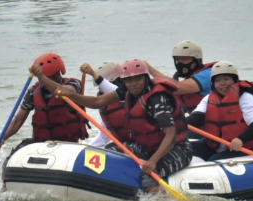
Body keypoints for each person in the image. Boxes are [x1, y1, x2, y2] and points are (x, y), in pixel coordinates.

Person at [73, 59, 192, 189]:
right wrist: (70, 95)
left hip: (177, 148)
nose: (134, 84)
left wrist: (153, 160)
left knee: (149, 176)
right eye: (129, 80)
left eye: (138, 79)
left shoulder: (156, 100)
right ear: (123, 82)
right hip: (147, 146)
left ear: (146, 78)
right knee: (107, 154)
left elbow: (171, 135)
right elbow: (97, 102)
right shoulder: (126, 91)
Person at [0, 53, 88, 152]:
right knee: (14, 155)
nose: (41, 82)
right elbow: (17, 121)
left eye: (46, 77)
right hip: (41, 143)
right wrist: (2, 139)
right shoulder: (33, 91)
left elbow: (67, 92)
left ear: (57, 75)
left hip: (68, 144)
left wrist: (42, 77)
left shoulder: (74, 84)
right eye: (39, 78)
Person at [186, 61, 253, 159]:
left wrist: (240, 139)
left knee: (214, 159)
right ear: (213, 83)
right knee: (186, 148)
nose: (222, 83)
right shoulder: (209, 98)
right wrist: (177, 126)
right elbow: (196, 118)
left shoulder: (245, 96)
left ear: (234, 80)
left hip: (247, 147)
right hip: (219, 146)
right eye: (218, 80)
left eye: (226, 79)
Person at [150, 40, 216, 114]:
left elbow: (177, 87)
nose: (179, 63)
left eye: (184, 59)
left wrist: (148, 68)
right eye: (177, 59)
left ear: (197, 60)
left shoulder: (208, 74)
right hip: (198, 121)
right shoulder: (189, 80)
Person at [77, 60, 122, 147]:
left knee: (111, 147)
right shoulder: (107, 105)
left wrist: (92, 73)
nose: (100, 90)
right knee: (109, 147)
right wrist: (86, 147)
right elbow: (104, 136)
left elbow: (112, 90)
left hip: (137, 143)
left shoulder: (126, 94)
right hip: (123, 143)